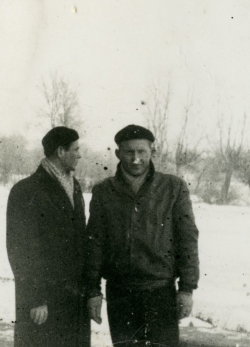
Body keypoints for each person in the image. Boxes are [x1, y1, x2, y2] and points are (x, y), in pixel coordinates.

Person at [85, 125, 199, 347]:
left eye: (142, 152)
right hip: (120, 294)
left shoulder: (173, 188)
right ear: (118, 154)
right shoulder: (104, 191)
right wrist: (92, 291)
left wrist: (186, 289)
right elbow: (95, 244)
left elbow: (187, 240)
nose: (135, 159)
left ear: (152, 153)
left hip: (160, 291)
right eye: (129, 152)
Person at [6, 126, 90, 347]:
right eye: (76, 149)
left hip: (74, 297)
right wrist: (35, 298)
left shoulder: (75, 186)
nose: (80, 154)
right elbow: (20, 250)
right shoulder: (26, 190)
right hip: (43, 301)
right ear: (61, 151)